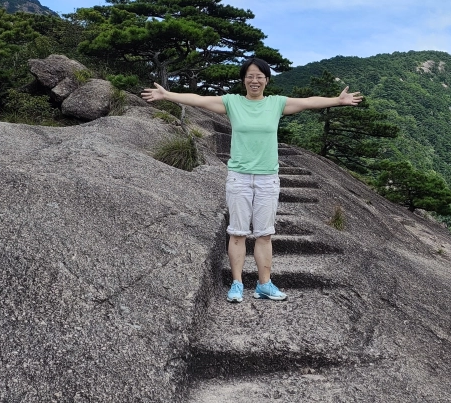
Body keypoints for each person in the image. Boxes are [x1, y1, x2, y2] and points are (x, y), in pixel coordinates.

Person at [140, 58, 363, 303]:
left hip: (268, 178)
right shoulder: (233, 102)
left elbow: (308, 103)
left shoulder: (276, 104)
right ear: (243, 79)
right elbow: (199, 99)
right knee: (237, 234)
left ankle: (264, 285)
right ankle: (236, 284)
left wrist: (337, 101)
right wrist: (167, 95)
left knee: (265, 234)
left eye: (259, 76)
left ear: (266, 80)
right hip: (239, 178)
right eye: (250, 76)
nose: (254, 80)